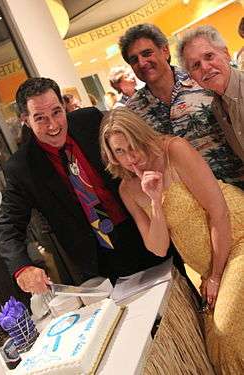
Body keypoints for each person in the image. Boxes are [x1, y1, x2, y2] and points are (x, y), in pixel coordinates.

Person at [0, 77, 175, 295]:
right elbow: (7, 226)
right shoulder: (22, 167)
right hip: (99, 260)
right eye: (40, 118)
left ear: (63, 105)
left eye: (56, 112)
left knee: (178, 295)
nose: (53, 125)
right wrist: (22, 268)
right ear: (25, 119)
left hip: (143, 227)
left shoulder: (91, 121)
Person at [100, 107, 244, 375]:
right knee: (213, 345)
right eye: (120, 151)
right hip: (205, 266)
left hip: (236, 240)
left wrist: (215, 275)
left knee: (226, 333)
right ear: (111, 155)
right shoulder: (127, 189)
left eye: (133, 147)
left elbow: (219, 212)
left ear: (143, 137)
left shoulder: (173, 150)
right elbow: (158, 247)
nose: (130, 158)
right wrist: (155, 201)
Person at [119, 23, 244, 189]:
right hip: (193, 204)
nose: (142, 63)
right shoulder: (132, 112)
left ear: (165, 50)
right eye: (134, 60)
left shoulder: (204, 80)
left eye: (147, 53)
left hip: (237, 187)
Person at [177, 25, 244, 162]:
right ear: (191, 76)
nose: (205, 67)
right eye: (195, 65)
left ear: (226, 53)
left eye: (209, 56)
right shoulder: (216, 107)